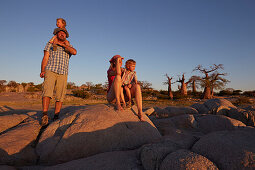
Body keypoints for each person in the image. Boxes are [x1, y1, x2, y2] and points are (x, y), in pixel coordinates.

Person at [40, 27, 77, 126]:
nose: (62, 34)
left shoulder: (68, 46)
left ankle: (56, 116)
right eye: (60, 33)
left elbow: (74, 52)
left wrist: (62, 45)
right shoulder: (50, 44)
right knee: (47, 91)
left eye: (64, 33)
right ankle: (45, 115)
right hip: (50, 70)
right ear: (56, 35)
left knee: (60, 95)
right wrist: (42, 70)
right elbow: (45, 57)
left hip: (63, 72)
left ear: (66, 36)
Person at [107, 55, 144, 121]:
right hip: (113, 97)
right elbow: (118, 73)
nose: (121, 62)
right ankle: (118, 104)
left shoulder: (126, 71)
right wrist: (117, 60)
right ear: (115, 62)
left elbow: (130, 80)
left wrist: (131, 84)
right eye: (119, 61)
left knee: (137, 86)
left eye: (121, 61)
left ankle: (140, 112)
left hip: (124, 96)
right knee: (118, 77)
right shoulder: (110, 71)